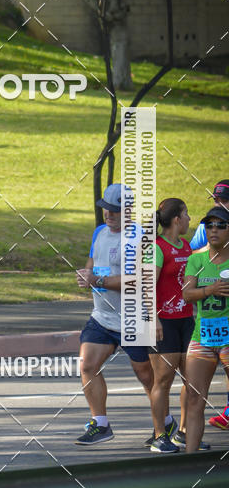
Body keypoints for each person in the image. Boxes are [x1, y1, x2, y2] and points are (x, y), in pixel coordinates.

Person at [75, 183, 154, 445]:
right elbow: (93, 263)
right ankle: (101, 424)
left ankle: (163, 423)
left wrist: (96, 281)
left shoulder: (139, 237)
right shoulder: (100, 231)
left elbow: (136, 279)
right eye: (105, 209)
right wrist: (86, 275)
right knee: (87, 365)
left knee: (145, 374)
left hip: (133, 317)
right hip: (102, 317)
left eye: (115, 210)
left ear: (129, 211)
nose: (108, 214)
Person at [147, 198, 193, 453]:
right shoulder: (156, 247)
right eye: (186, 214)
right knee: (163, 380)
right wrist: (153, 319)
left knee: (192, 380)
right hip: (163, 323)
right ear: (177, 219)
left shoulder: (185, 246)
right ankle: (159, 436)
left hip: (187, 320)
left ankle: (184, 433)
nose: (189, 219)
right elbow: (147, 287)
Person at [183, 206, 229, 453]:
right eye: (209, 225)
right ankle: (189, 460)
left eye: (221, 225)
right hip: (203, 336)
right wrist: (208, 290)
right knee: (194, 398)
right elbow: (187, 294)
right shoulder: (196, 259)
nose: (214, 230)